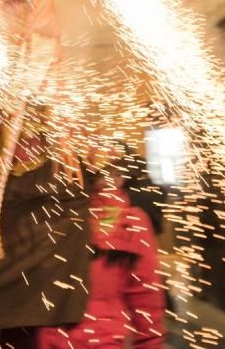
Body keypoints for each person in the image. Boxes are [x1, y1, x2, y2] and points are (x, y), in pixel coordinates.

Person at [33, 148, 166, 348]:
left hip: (93, 341)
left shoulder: (131, 221)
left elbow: (146, 296)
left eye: (113, 171)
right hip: (55, 339)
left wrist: (151, 343)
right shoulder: (51, 211)